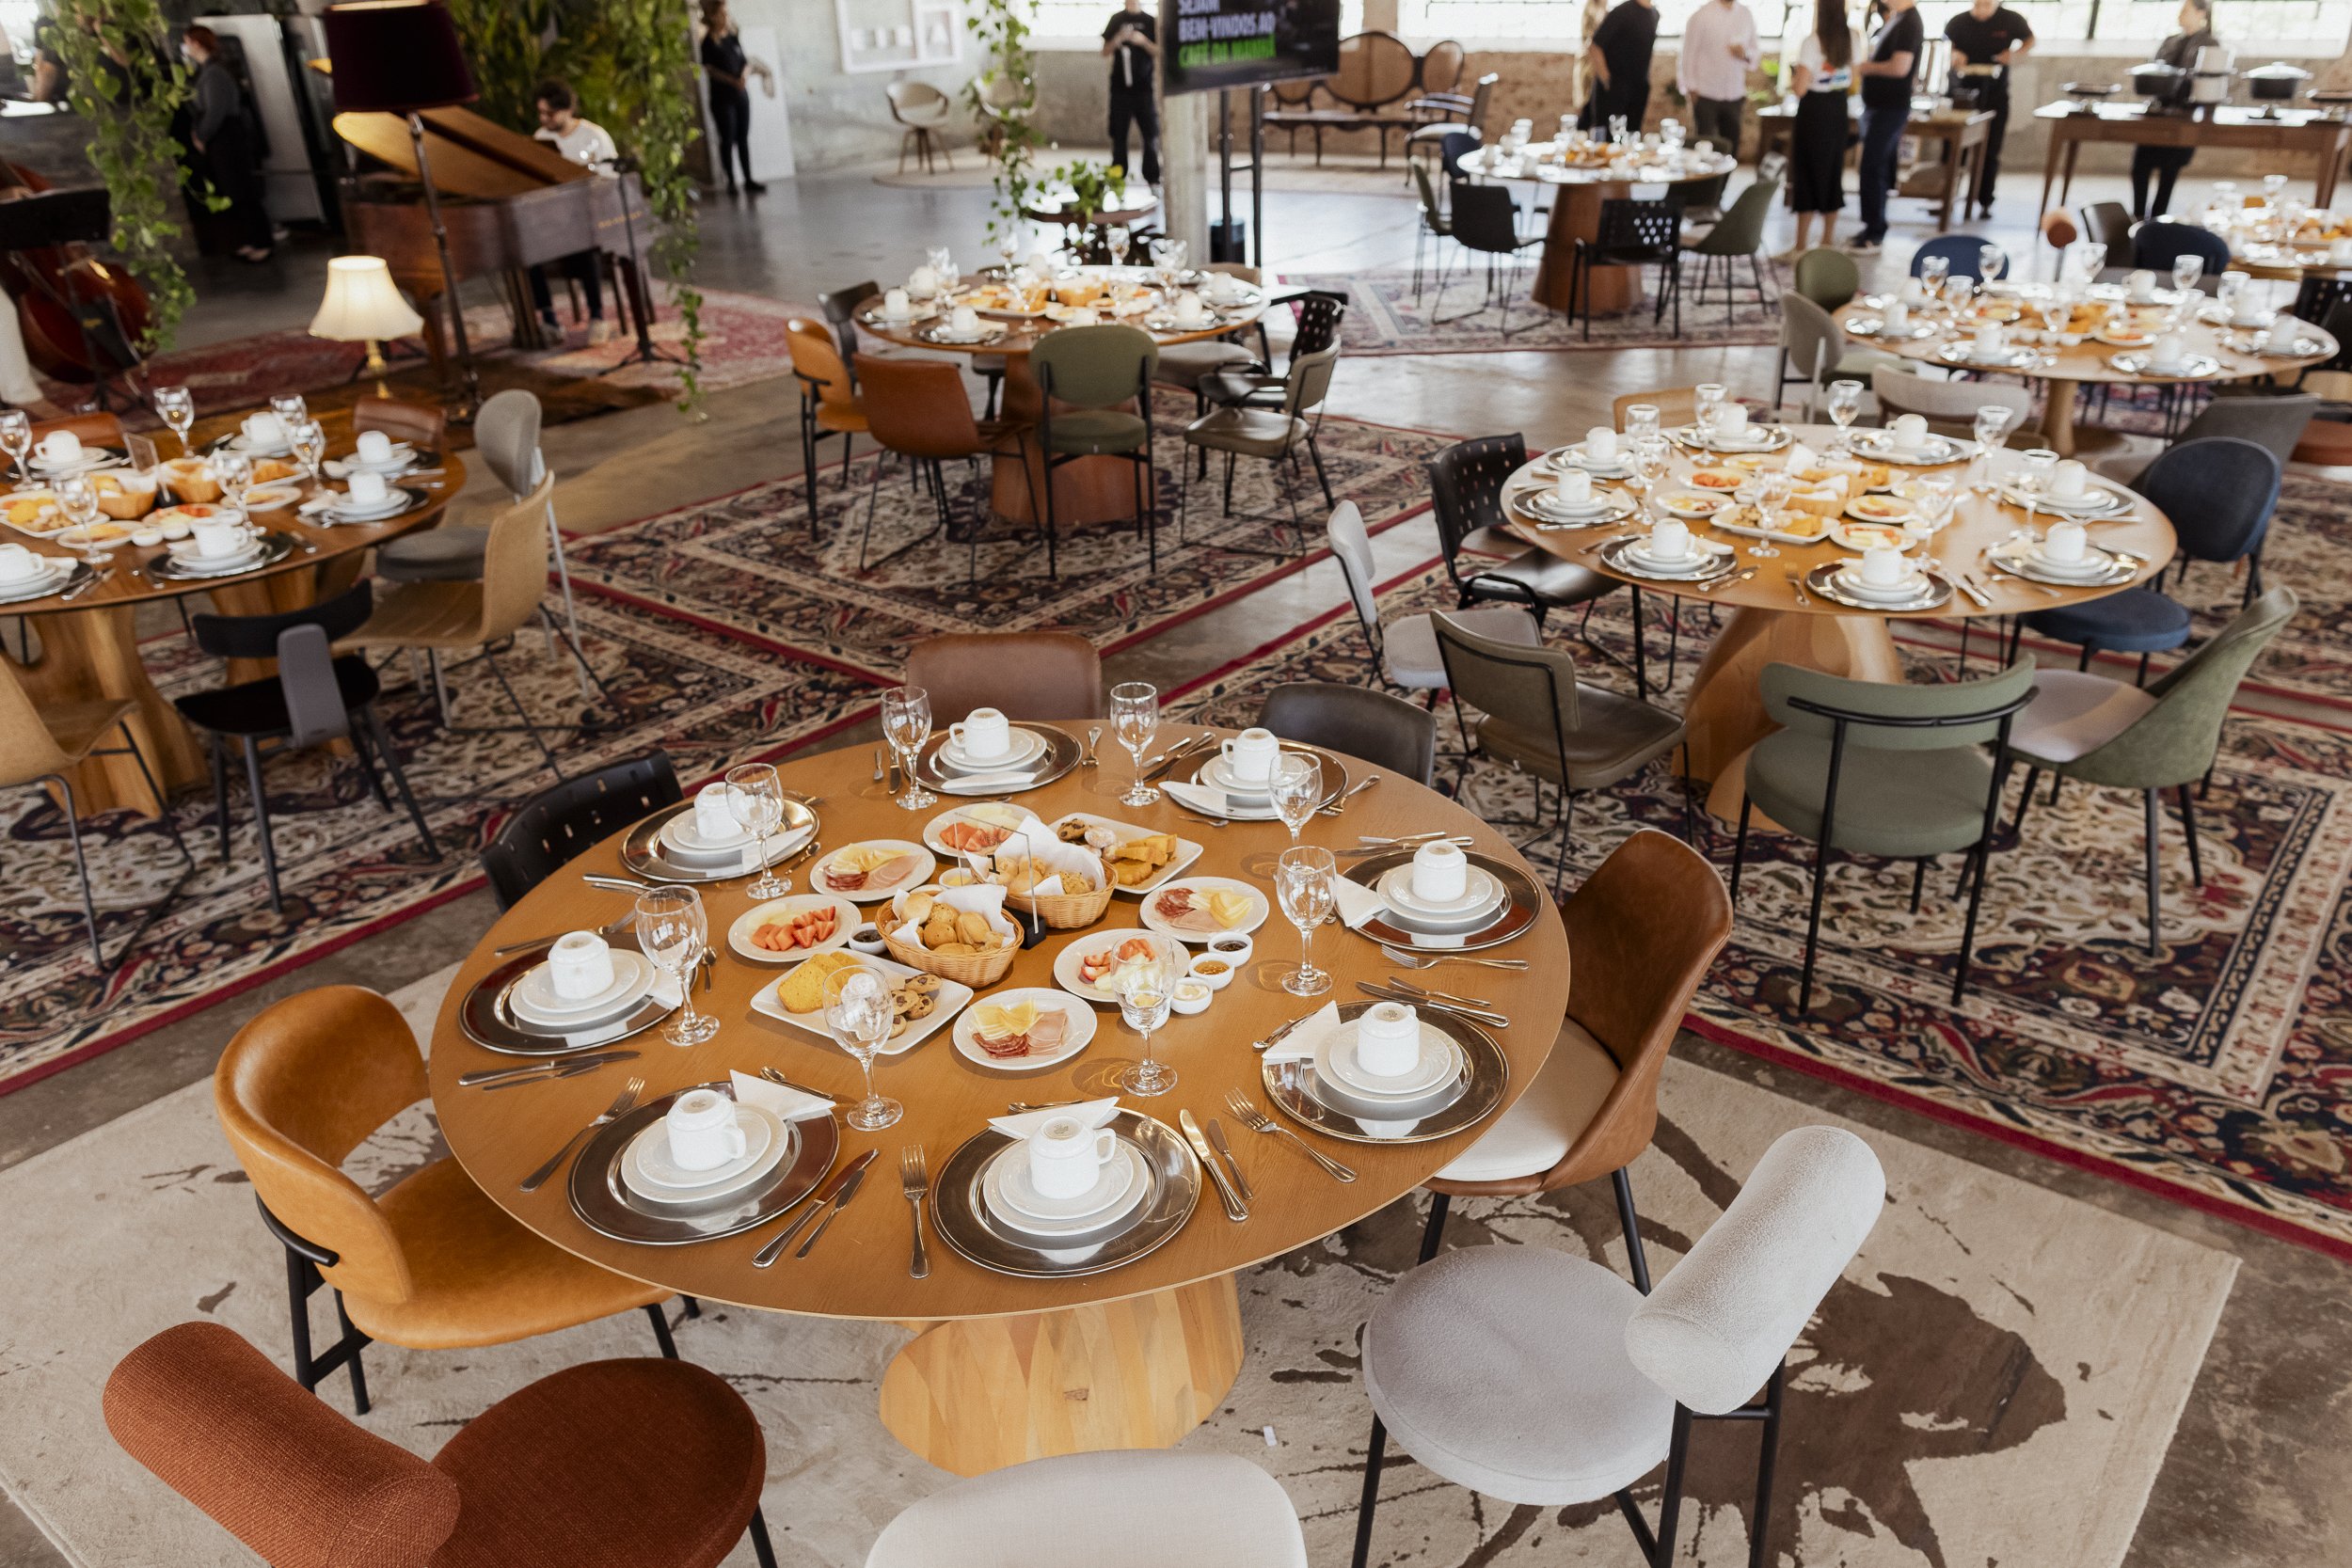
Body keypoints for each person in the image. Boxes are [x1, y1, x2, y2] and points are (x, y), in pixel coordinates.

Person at [527, 80, 617, 344]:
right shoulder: (541, 138)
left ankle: (597, 317)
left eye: (549, 113)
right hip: (554, 219)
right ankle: (549, 320)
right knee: (528, 249)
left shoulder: (594, 136)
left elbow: (611, 180)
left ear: (567, 110)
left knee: (584, 245)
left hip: (591, 218)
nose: (543, 119)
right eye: (540, 113)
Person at [183, 25, 272, 263]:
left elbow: (216, 111)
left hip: (228, 139)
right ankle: (252, 240)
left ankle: (263, 242)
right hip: (222, 138)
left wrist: (201, 135)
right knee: (234, 189)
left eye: (187, 42)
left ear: (196, 43)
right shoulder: (209, 71)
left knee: (242, 189)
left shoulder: (214, 74)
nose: (185, 48)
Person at [1943, 0, 2032, 221]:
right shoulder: (1958, 22)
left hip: (1995, 94)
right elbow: (1949, 46)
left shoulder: (2011, 19)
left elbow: (2030, 39)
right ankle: (1946, 197)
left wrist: (2014, 54)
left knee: (1990, 150)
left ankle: (1985, 201)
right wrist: (1955, 55)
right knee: (1953, 148)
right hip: (1962, 93)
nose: (1983, 7)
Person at [1846, 0, 1920, 256]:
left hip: (1890, 108)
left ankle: (1874, 233)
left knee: (1872, 166)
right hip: (1877, 107)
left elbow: (1900, 67)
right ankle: (1871, 226)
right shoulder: (1895, 18)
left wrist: (1864, 67)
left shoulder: (1910, 22)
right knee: (1875, 167)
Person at [1781, 0, 1854, 259]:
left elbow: (1800, 88)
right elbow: (1854, 77)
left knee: (1806, 175)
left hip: (1814, 112)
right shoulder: (1852, 38)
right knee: (1832, 173)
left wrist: (1795, 79)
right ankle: (1826, 241)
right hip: (1839, 107)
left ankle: (1800, 246)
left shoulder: (1812, 42)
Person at [2132, 0, 2217, 219]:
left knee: (2170, 169)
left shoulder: (2210, 43)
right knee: (2140, 165)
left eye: (2186, 10)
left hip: (2185, 113)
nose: (2180, 14)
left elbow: (2210, 80)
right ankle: (2138, 216)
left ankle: (2158, 218)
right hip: (2158, 112)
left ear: (2201, 13)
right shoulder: (2170, 41)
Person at [700, 0, 765, 196]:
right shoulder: (708, 43)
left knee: (743, 137)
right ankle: (730, 181)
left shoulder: (732, 38)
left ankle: (748, 179)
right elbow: (710, 69)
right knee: (727, 138)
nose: (726, 17)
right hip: (723, 98)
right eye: (722, 13)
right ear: (714, 16)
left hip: (740, 95)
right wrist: (731, 80)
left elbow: (745, 61)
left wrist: (744, 76)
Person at [1677, 0, 1760, 151]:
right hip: (1706, 93)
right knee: (1705, 146)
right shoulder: (1701, 16)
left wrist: (1744, 54)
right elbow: (1688, 56)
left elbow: (1755, 54)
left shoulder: (1745, 14)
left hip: (1735, 94)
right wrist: (1691, 89)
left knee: (1731, 146)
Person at [1578, 0, 1660, 135]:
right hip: (1614, 88)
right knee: (1607, 138)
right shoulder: (1622, 11)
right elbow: (1594, 46)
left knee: (1632, 136)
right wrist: (1607, 81)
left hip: (1639, 89)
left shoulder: (1654, 13)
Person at [1103, 0, 1160, 185]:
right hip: (1120, 89)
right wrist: (1118, 38)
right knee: (1118, 136)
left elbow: (1159, 51)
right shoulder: (1116, 19)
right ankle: (1117, 179)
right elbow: (1105, 51)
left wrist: (1143, 41)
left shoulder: (1150, 21)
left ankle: (1152, 178)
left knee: (1150, 134)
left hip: (1144, 89)